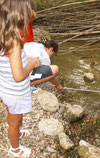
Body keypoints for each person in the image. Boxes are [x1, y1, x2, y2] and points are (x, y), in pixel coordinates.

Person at [0, 0, 40, 157]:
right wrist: (32, 64)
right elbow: (18, 76)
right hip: (15, 91)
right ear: (20, 16)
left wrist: (24, 59)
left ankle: (16, 130)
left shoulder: (5, 33)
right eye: (28, 13)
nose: (30, 17)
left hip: (6, 87)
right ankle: (15, 149)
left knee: (15, 114)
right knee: (14, 121)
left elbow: (9, 61)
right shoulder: (15, 41)